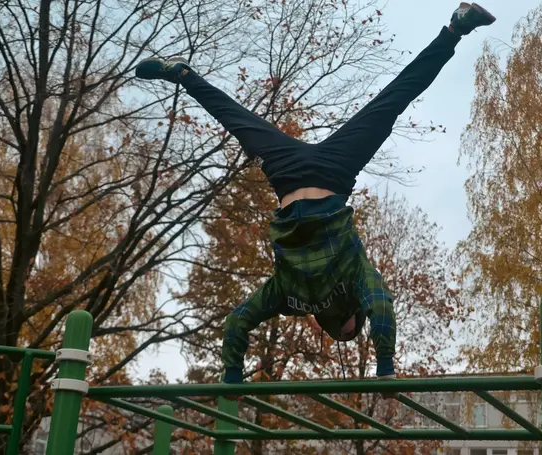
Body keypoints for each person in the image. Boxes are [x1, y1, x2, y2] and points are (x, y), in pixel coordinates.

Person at [135, 3, 496, 392]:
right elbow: (375, 305)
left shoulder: (293, 298)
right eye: (348, 330)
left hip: (290, 174)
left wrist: (233, 377)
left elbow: (241, 318)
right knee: (391, 100)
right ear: (352, 316)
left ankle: (182, 74)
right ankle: (456, 29)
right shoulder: (339, 284)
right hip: (331, 174)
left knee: (237, 119)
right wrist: (385, 365)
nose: (340, 328)